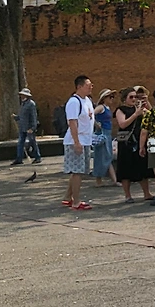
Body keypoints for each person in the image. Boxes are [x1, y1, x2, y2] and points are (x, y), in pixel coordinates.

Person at [63, 75, 96, 210]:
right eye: (88, 85)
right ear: (79, 86)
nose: (91, 87)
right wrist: (76, 142)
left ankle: (67, 197)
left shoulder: (87, 100)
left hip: (86, 140)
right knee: (77, 172)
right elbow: (72, 122)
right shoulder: (74, 102)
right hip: (76, 140)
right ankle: (76, 201)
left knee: (79, 171)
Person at [116, 86, 153, 202]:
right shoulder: (121, 110)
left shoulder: (140, 109)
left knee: (142, 167)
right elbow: (122, 124)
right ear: (125, 99)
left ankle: (147, 193)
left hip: (139, 140)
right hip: (126, 142)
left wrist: (146, 104)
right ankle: (128, 195)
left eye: (135, 97)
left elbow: (152, 117)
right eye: (131, 97)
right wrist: (135, 114)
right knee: (125, 169)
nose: (134, 99)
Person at [91, 89, 118, 186]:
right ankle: (99, 180)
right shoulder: (100, 107)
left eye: (112, 97)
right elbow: (91, 115)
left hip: (108, 133)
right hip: (102, 133)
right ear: (104, 98)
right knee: (101, 156)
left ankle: (114, 180)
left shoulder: (107, 108)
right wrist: (96, 124)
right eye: (110, 97)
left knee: (108, 156)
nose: (112, 99)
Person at [12, 88, 40, 165]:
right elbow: (21, 116)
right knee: (20, 143)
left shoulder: (31, 104)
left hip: (29, 127)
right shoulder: (23, 104)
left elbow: (34, 116)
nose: (22, 96)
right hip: (22, 127)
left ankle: (37, 157)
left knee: (32, 142)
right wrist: (16, 117)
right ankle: (19, 158)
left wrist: (33, 128)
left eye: (23, 95)